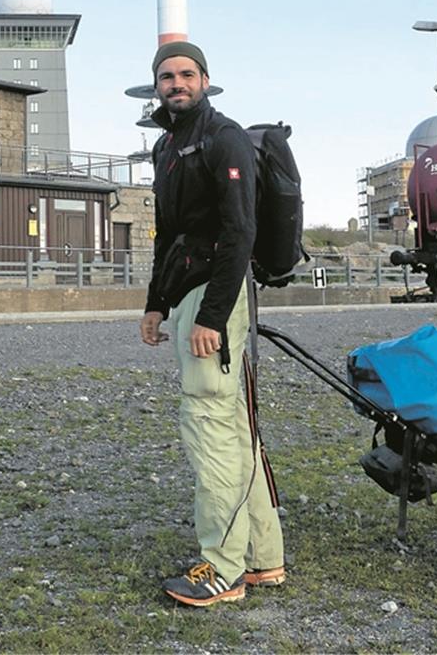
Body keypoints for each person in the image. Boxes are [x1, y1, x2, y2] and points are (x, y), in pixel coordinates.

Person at [139, 41, 285, 607]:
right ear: (157, 85)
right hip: (187, 294)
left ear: (206, 80)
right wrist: (155, 303)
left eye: (187, 74)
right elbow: (168, 235)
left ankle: (222, 569)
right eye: (167, 76)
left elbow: (240, 232)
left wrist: (212, 316)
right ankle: (263, 559)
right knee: (233, 427)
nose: (177, 83)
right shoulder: (168, 146)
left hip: (215, 298)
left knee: (210, 426)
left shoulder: (223, 137)